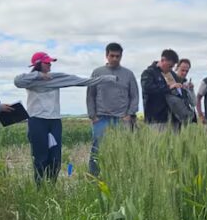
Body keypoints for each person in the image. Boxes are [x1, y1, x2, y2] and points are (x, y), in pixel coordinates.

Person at [14, 52, 116, 183]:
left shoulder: (55, 78)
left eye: (50, 62)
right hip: (37, 121)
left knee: (55, 158)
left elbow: (81, 81)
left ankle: (51, 186)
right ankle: (40, 188)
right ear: (38, 64)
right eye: (47, 62)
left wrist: (108, 79)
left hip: (55, 121)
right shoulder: (29, 80)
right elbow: (17, 81)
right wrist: (39, 75)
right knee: (40, 157)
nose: (50, 65)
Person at [87, 42, 140, 175]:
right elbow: (90, 95)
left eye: (118, 56)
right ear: (106, 55)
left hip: (122, 119)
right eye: (112, 56)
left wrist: (130, 114)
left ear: (121, 56)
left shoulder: (128, 74)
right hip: (101, 118)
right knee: (97, 150)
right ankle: (94, 177)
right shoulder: (97, 72)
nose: (115, 59)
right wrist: (93, 116)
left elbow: (134, 96)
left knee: (122, 150)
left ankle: (118, 176)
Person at [141, 49, 183, 131]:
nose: (170, 69)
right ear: (162, 60)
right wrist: (168, 88)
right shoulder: (149, 73)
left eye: (172, 66)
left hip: (174, 118)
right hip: (156, 119)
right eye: (169, 66)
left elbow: (178, 90)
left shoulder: (172, 74)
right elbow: (148, 89)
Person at [172, 58, 197, 126]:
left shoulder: (186, 83)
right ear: (177, 68)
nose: (184, 73)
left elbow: (194, 103)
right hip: (172, 121)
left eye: (187, 71)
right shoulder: (169, 81)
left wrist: (191, 90)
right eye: (182, 70)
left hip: (184, 121)